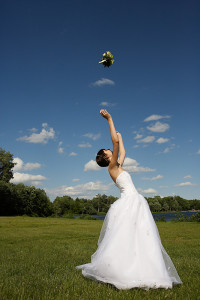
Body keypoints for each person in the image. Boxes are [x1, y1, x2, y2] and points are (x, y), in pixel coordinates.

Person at [76, 109, 182, 290]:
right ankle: (123, 271)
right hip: (129, 202)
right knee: (126, 236)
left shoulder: (117, 166)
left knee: (139, 236)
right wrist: (109, 119)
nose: (111, 149)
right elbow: (114, 142)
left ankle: (142, 268)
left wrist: (121, 138)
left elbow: (122, 150)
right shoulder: (111, 166)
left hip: (135, 201)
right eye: (108, 150)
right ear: (106, 155)